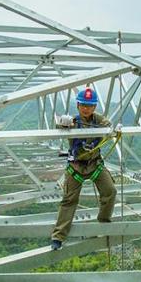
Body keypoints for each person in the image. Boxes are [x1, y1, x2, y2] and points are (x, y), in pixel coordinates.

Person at [50, 87, 119, 250]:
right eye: (83, 105)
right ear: (78, 105)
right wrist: (64, 124)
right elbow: (59, 126)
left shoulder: (99, 121)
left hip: (95, 164)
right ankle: (58, 236)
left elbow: (109, 126)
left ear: (94, 107)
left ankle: (103, 222)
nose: (86, 109)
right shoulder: (72, 122)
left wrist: (111, 130)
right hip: (76, 166)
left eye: (90, 106)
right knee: (69, 200)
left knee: (110, 190)